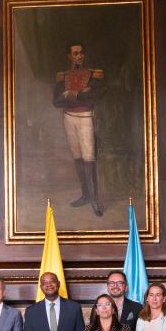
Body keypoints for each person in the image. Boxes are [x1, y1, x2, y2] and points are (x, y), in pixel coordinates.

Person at [53, 42, 106, 216]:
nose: (79, 56)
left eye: (81, 53)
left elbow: (94, 97)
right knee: (77, 157)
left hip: (85, 118)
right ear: (69, 56)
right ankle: (85, 195)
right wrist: (81, 94)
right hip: (68, 118)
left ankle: (94, 200)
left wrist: (72, 94)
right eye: (75, 53)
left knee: (89, 158)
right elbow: (57, 101)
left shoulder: (94, 75)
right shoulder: (62, 76)